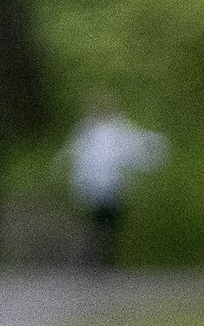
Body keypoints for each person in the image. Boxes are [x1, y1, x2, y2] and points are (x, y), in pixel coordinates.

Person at [61, 99, 168, 267]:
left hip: (110, 184)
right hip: (97, 184)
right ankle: (96, 254)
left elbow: (132, 151)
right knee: (100, 219)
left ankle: (99, 255)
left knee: (106, 219)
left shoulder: (115, 130)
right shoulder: (90, 131)